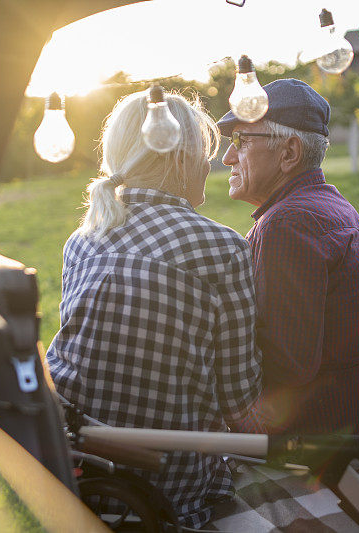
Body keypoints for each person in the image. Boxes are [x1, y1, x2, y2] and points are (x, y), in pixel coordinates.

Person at [45, 89, 262, 528]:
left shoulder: (81, 241)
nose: (211, 164)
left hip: (69, 467)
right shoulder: (222, 247)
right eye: (205, 153)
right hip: (169, 486)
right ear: (180, 159)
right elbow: (239, 397)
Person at [217, 78, 359, 436]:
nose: (227, 157)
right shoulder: (327, 200)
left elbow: (288, 366)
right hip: (358, 403)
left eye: (241, 141)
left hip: (322, 422)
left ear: (289, 153)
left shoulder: (286, 223)